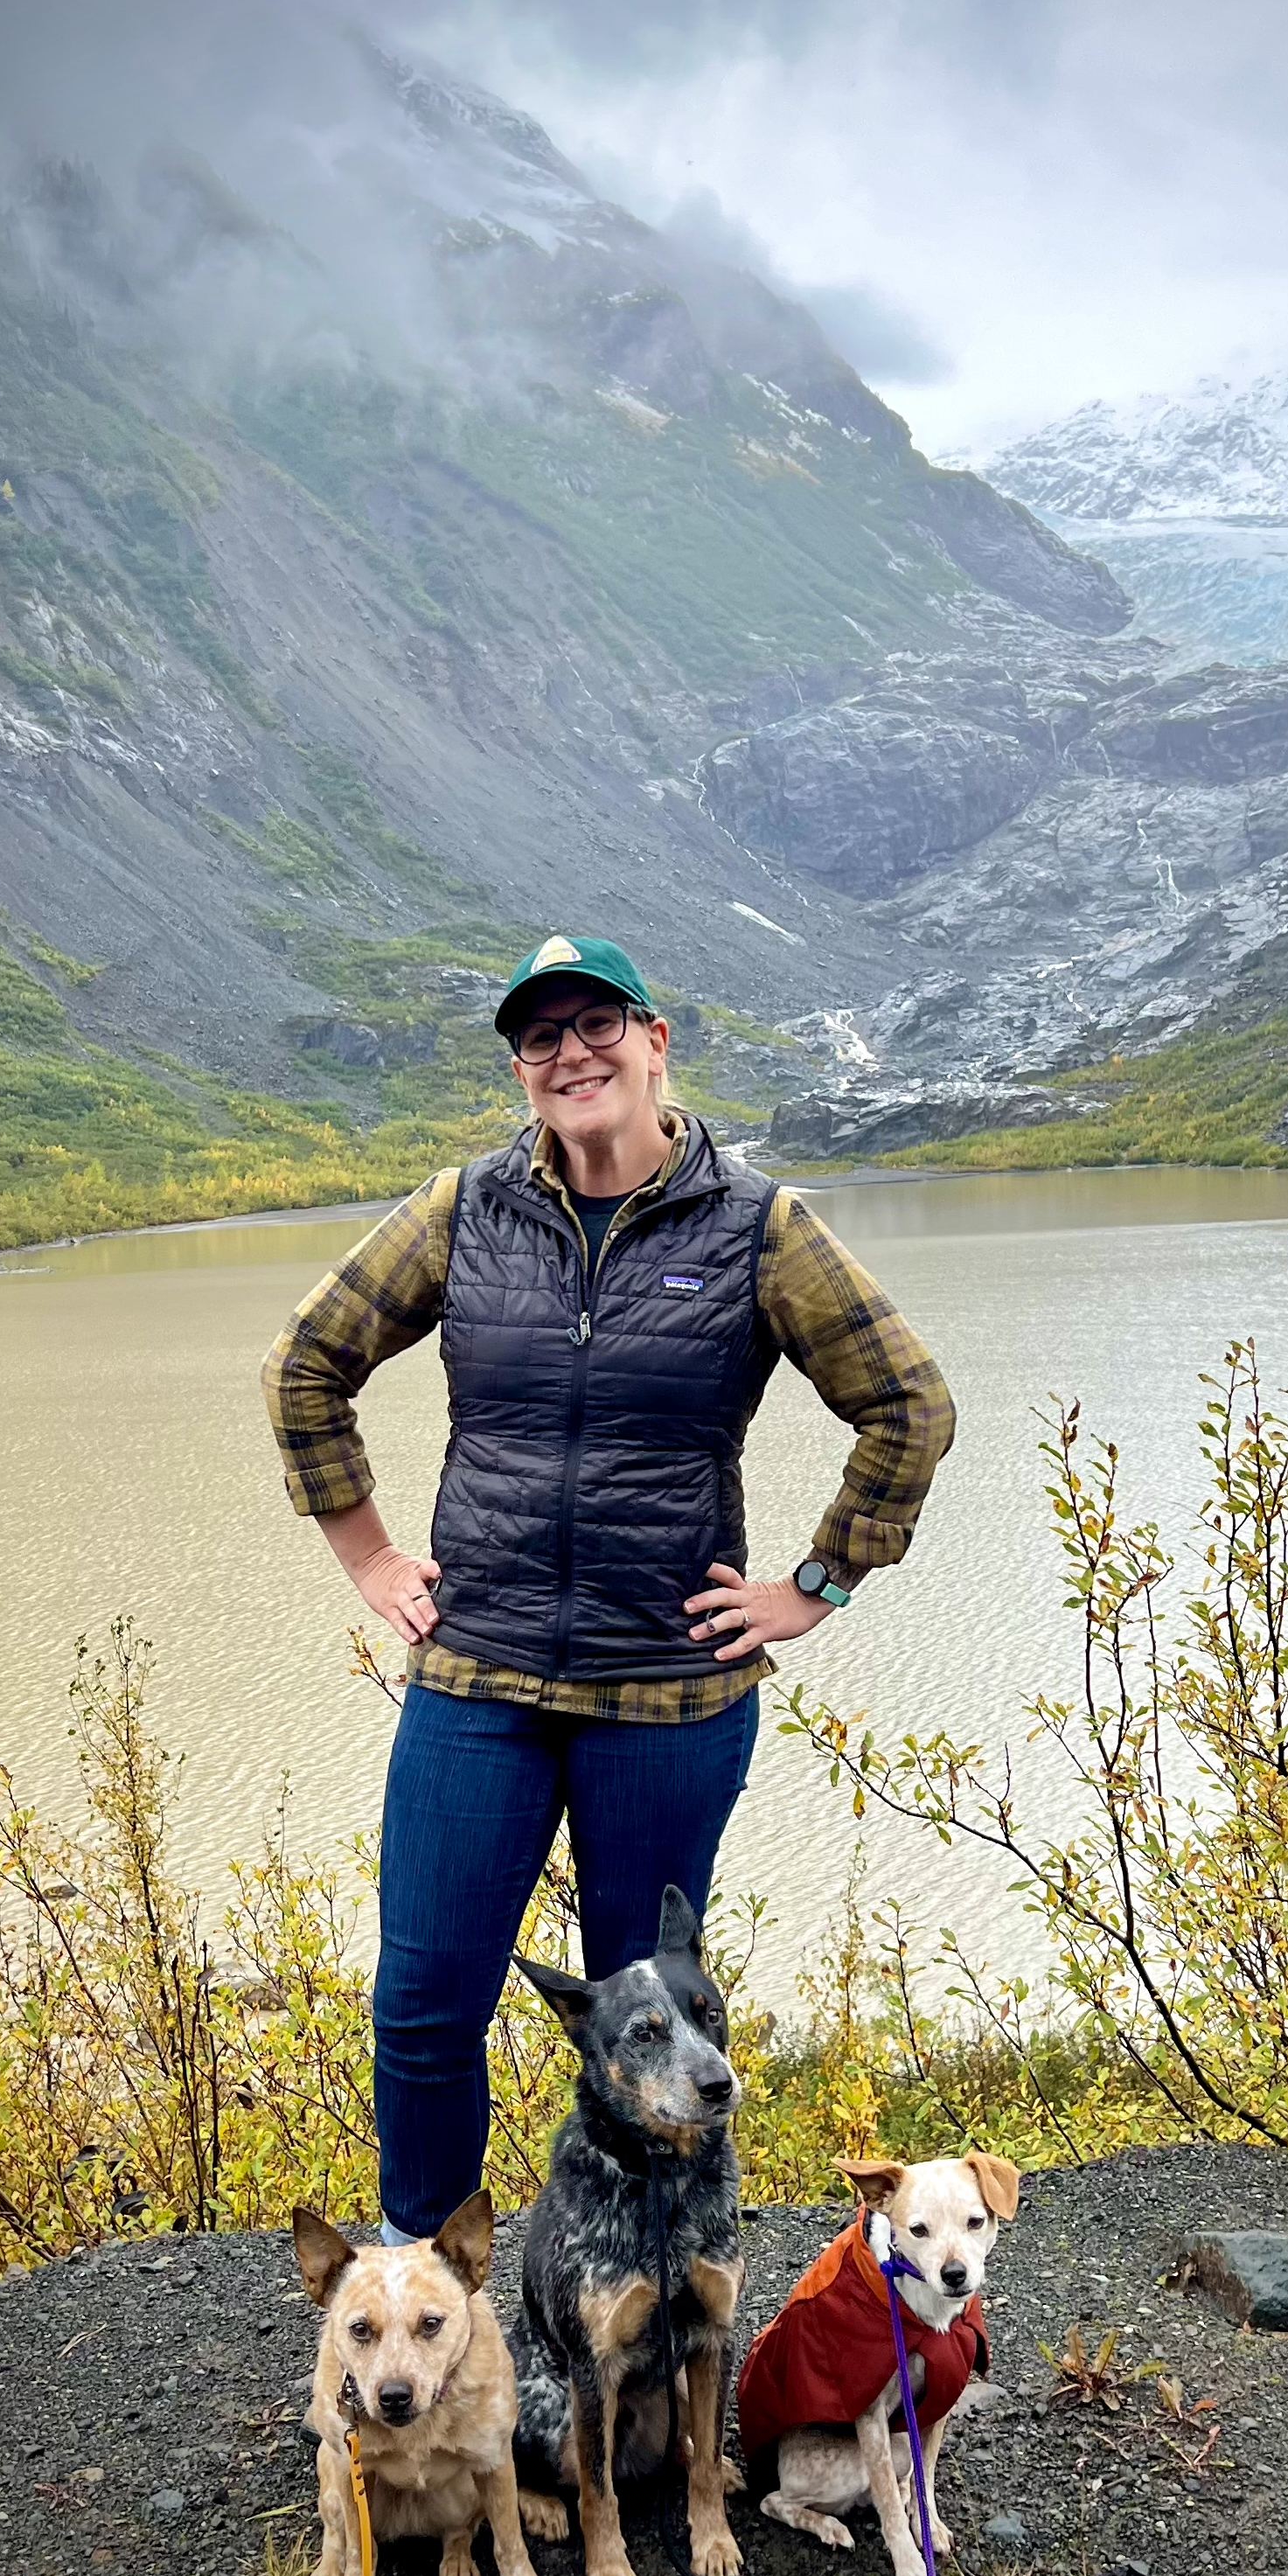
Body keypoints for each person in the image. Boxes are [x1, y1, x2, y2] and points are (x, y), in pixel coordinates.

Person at [262, 932, 955, 2241]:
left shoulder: (757, 1226)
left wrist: (817, 1580)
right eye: (541, 1035)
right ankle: (431, 2285)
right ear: (522, 1067)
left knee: (654, 2028)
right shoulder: (463, 1210)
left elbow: (908, 1402)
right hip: (481, 1679)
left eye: (597, 1025)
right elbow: (305, 1362)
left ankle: (652, 2292)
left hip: (669, 1701)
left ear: (655, 1042)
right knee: (422, 2001)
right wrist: (366, 1552)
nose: (570, 1052)